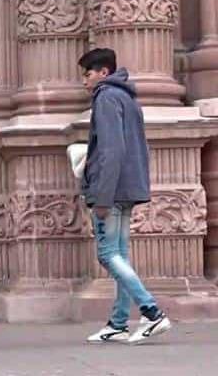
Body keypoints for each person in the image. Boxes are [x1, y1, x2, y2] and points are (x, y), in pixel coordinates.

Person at [79, 48, 171, 344]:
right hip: (128, 187)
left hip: (112, 190)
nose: (84, 81)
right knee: (119, 254)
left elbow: (111, 150)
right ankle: (118, 323)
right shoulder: (128, 98)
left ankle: (152, 312)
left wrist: (102, 197)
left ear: (103, 72)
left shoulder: (106, 97)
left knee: (107, 254)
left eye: (87, 74)